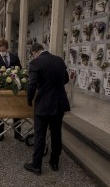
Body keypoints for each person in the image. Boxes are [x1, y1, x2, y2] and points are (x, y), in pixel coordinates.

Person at [24, 43, 70, 175]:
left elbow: (32, 85)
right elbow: (65, 79)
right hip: (59, 104)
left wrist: (29, 100)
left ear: (34, 52)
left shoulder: (35, 63)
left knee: (40, 135)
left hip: (43, 105)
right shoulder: (59, 60)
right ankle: (54, 162)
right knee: (56, 134)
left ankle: (36, 165)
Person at [0, 38, 24, 142]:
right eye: (0, 51)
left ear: (7, 48)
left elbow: (20, 70)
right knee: (0, 111)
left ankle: (18, 134)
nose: (2, 52)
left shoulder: (14, 57)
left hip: (13, 89)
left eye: (3, 50)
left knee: (16, 111)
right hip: (0, 89)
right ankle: (1, 133)